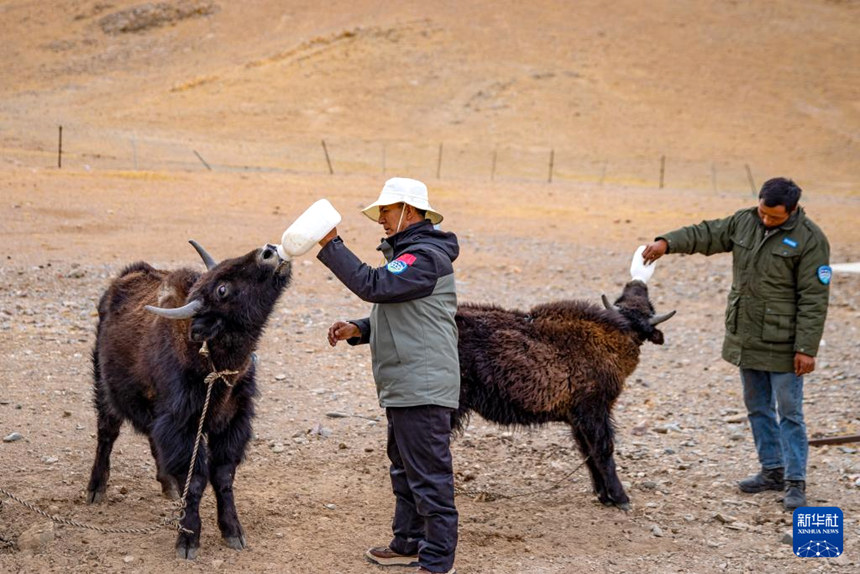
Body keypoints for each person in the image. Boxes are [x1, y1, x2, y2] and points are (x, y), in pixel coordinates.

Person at [641, 177, 830, 511]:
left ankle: (795, 481)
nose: (766, 220)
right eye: (763, 213)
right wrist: (666, 242)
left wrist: (806, 348)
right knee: (757, 407)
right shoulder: (745, 221)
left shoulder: (810, 239)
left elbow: (814, 298)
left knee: (790, 413)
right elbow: (708, 233)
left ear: (794, 209)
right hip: (747, 337)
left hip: (785, 343)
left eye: (775, 217)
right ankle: (771, 469)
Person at [316, 177, 459, 574]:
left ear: (409, 212)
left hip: (423, 386)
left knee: (429, 476)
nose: (380, 218)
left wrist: (331, 244)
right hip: (407, 384)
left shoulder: (425, 257)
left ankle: (436, 562)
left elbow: (373, 284)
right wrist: (359, 329)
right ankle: (409, 543)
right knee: (405, 469)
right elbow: (403, 312)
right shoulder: (411, 256)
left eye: (386, 210)